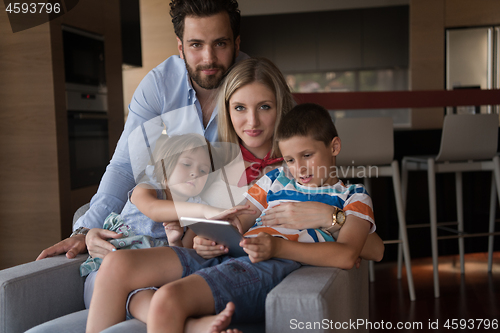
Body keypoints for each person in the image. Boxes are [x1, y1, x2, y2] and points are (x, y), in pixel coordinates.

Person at [85, 102, 384, 333]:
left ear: (334, 147)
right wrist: (208, 235)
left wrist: (279, 246)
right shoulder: (274, 181)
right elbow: (239, 220)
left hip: (269, 261)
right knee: (115, 264)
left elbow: (347, 255)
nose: (299, 169)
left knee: (167, 300)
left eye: (307, 155)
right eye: (290, 159)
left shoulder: (353, 197)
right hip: (232, 250)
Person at [36, 0, 246, 262]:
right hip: (163, 223)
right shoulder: (159, 86)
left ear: (236, 44)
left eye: (220, 43)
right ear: (180, 47)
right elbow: (126, 165)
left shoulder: (257, 84)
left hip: (224, 226)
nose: (209, 58)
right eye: (196, 45)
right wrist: (84, 229)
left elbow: (289, 151)